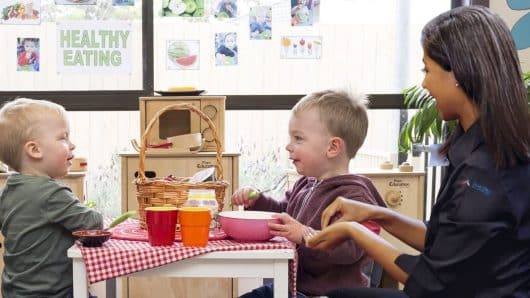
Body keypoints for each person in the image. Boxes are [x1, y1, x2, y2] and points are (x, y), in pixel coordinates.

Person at [306, 6, 530, 298]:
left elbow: (430, 281)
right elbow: (446, 242)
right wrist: (376, 214)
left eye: (428, 69)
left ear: (460, 72)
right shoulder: (483, 146)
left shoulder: (483, 173)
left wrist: (355, 231)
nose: (424, 83)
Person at [231, 89, 387, 297]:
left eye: (298, 138)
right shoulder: (304, 184)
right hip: (294, 289)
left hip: (328, 294)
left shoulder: (355, 197)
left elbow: (350, 249)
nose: (288, 146)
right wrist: (258, 201)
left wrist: (306, 236)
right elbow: (284, 212)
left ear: (332, 147)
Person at [0, 98, 103, 297]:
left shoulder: (8, 190)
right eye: (63, 138)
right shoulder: (51, 193)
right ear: (35, 150)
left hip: (14, 291)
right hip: (55, 293)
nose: (72, 145)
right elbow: (92, 224)